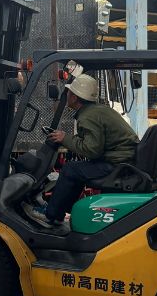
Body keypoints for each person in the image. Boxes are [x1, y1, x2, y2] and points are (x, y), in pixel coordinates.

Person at [40, 73, 138, 234]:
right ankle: (60, 214)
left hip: (116, 164)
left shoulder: (88, 116)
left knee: (70, 169)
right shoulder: (96, 111)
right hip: (121, 159)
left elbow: (92, 150)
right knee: (77, 170)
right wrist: (70, 139)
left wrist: (65, 139)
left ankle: (52, 216)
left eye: (69, 93)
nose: (67, 95)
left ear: (75, 97)